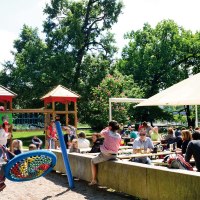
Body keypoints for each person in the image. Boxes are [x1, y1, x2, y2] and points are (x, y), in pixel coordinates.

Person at [89, 120, 121, 185]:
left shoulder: (107, 132)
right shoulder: (119, 135)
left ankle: (94, 180)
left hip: (106, 155)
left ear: (110, 127)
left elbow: (100, 134)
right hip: (114, 154)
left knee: (92, 161)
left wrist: (105, 129)